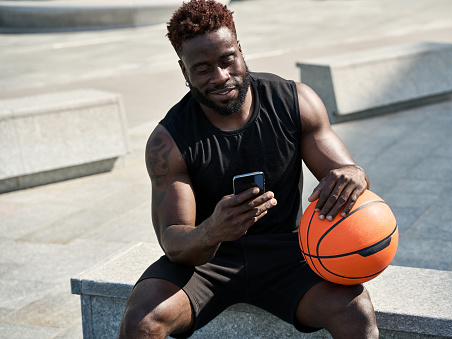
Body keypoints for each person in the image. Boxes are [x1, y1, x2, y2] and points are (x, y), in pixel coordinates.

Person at [119, 0, 378, 338]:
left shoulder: (295, 102)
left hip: (289, 254)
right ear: (184, 71)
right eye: (202, 68)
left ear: (239, 50)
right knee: (142, 318)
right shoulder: (168, 141)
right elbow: (173, 241)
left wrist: (354, 174)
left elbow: (347, 172)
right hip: (207, 262)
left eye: (228, 60)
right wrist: (213, 229)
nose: (221, 76)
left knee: (355, 311)